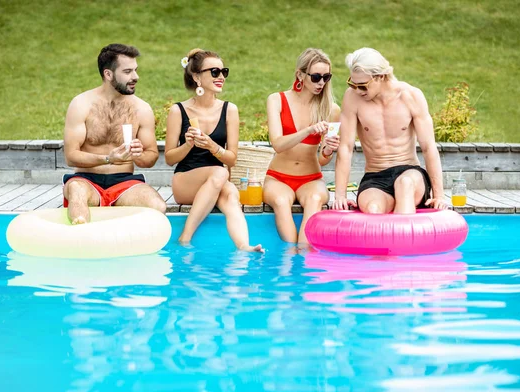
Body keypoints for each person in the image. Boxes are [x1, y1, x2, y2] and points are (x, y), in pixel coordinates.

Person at [164, 48, 263, 252]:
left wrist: (212, 146)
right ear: (197, 77)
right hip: (186, 181)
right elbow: (169, 158)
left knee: (230, 194)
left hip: (216, 181)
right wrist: (188, 144)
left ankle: (244, 245)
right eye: (214, 72)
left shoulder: (230, 110)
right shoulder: (178, 111)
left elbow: (232, 158)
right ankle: (185, 236)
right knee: (220, 172)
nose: (221, 77)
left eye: (223, 72)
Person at [333, 47, 447, 214]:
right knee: (372, 209)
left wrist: (439, 195)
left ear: (380, 76)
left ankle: (404, 240)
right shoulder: (352, 98)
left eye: (363, 86)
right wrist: (340, 195)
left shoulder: (411, 96)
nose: (357, 90)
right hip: (375, 176)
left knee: (404, 185)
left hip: (409, 172)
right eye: (352, 84)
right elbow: (345, 147)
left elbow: (429, 147)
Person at [63, 43, 166, 224]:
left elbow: (151, 157)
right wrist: (108, 159)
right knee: (76, 191)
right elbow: (71, 156)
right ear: (108, 74)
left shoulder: (141, 109)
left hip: (124, 182)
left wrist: (138, 155)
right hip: (86, 180)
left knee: (157, 206)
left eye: (135, 70)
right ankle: (81, 239)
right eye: (127, 72)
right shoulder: (82, 104)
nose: (136, 77)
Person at [263, 48, 341, 245]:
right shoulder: (277, 100)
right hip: (278, 177)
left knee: (315, 199)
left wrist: (328, 149)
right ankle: (290, 259)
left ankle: (303, 261)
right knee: (281, 202)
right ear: (300, 74)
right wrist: (308, 130)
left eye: (326, 77)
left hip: (311, 178)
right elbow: (278, 144)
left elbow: (323, 160)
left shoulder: (331, 109)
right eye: (315, 77)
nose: (321, 83)